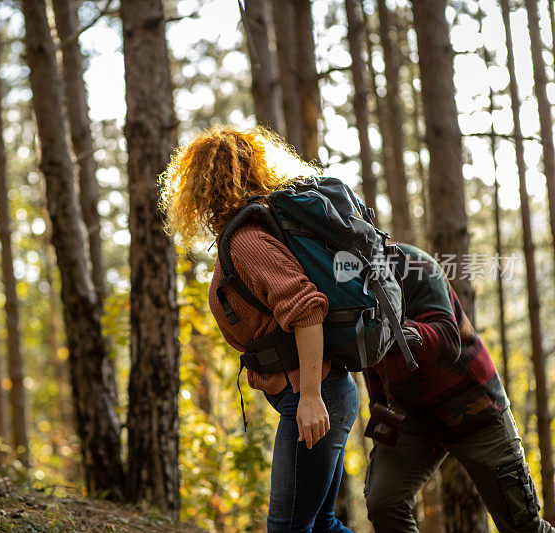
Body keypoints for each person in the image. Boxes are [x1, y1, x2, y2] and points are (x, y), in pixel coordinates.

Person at [160, 125, 358, 532]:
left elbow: (306, 310)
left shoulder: (247, 240)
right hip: (318, 391)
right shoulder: (247, 233)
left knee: (286, 527)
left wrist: (309, 396)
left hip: (316, 394)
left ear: (200, 186)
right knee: (320, 524)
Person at [363, 242, 554, 533]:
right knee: (383, 503)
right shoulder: (335, 284)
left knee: (522, 526)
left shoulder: (413, 264)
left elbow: (448, 340)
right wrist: (380, 410)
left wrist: (394, 331)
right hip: (412, 415)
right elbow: (367, 359)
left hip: (474, 408)